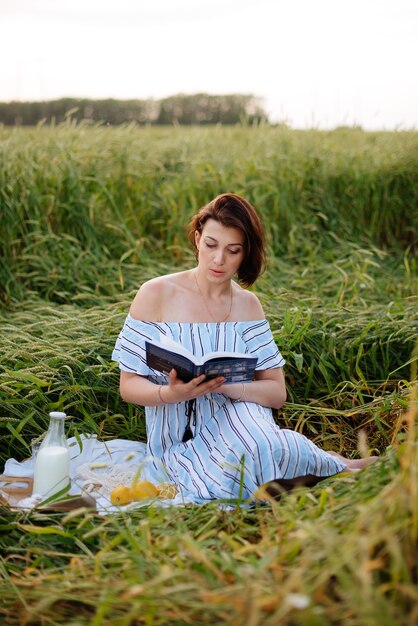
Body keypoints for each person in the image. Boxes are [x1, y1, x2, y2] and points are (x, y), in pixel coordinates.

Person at [112, 193, 376, 503]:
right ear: (197, 238)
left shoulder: (248, 306)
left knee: (256, 446)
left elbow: (276, 393)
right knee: (235, 478)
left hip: (243, 420)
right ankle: (328, 465)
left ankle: (329, 465)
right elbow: (128, 385)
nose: (219, 260)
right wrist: (170, 395)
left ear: (245, 253)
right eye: (211, 245)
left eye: (232, 250)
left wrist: (229, 387)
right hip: (179, 441)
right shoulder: (156, 294)